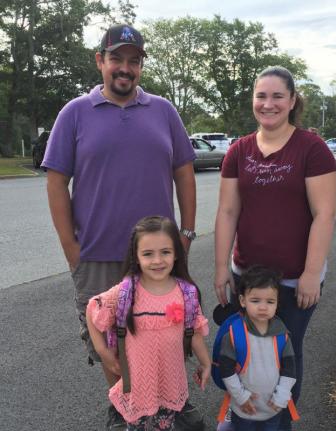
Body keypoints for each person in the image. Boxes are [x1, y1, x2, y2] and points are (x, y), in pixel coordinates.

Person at [42, 24, 198, 430]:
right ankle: (132, 413)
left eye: (134, 60)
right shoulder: (74, 113)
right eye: (116, 59)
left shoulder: (163, 110)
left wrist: (187, 233)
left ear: (141, 66)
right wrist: (71, 249)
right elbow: (56, 180)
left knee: (162, 338)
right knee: (110, 345)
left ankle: (160, 412)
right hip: (97, 256)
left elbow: (184, 170)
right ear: (100, 61)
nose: (124, 68)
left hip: (158, 259)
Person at [214, 66, 336, 431]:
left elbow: (324, 213)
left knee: (285, 357)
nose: (268, 104)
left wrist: (312, 273)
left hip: (294, 281)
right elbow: (227, 211)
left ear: (292, 100)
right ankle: (242, 418)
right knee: (242, 352)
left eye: (277, 96)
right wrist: (221, 267)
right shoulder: (239, 151)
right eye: (261, 96)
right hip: (247, 278)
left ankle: (279, 423)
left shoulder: (312, 149)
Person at [86, 216, 211, 430]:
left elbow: (195, 332)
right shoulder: (127, 292)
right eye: (147, 254)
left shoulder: (186, 294)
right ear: (136, 257)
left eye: (165, 252)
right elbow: (93, 308)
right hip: (138, 387)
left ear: (176, 255)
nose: (157, 260)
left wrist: (205, 363)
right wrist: (102, 350)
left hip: (170, 382)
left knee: (167, 425)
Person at [218, 266, 296, 431]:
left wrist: (281, 397)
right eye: (255, 300)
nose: (263, 307)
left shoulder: (282, 334)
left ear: (277, 303)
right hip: (243, 408)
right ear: (242, 300)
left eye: (270, 301)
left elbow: (290, 370)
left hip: (273, 408)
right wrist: (241, 397)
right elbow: (226, 369)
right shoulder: (234, 334)